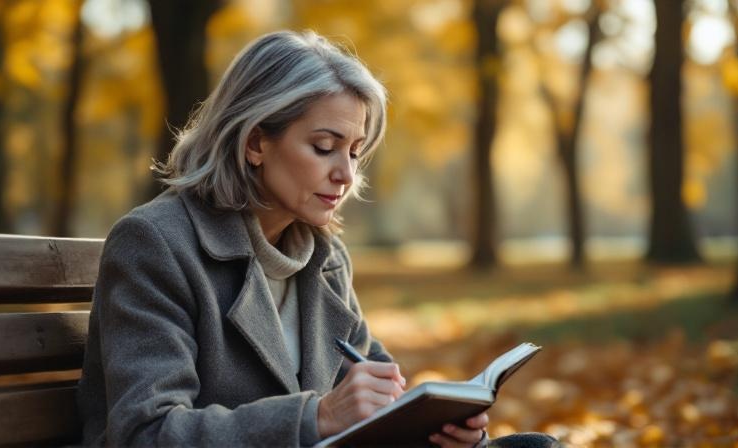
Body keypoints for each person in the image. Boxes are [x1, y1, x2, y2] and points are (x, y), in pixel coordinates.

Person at [77, 30, 559, 447]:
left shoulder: (323, 258)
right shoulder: (155, 243)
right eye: (323, 147)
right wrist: (318, 416)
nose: (346, 174)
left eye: (354, 152)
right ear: (254, 143)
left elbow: (380, 404)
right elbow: (145, 433)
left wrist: (445, 430)